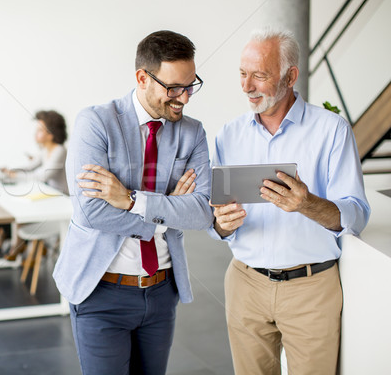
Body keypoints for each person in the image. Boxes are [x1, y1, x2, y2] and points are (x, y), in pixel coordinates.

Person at [208, 27, 370, 375]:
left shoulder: (332, 130)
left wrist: (308, 204)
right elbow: (216, 219)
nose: (247, 86)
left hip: (311, 291)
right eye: (242, 74)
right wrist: (221, 224)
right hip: (244, 283)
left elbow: (356, 214)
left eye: (260, 76)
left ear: (290, 76)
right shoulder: (228, 134)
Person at [53, 30, 213, 375]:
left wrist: (129, 200)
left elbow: (201, 213)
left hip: (160, 294)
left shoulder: (192, 132)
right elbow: (91, 211)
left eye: (190, 85)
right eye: (173, 88)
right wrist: (169, 209)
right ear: (142, 77)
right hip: (100, 292)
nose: (183, 98)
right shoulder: (96, 123)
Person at [0, 110, 68, 260]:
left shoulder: (59, 150)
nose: (35, 133)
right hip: (47, 194)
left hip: (59, 197)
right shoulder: (45, 150)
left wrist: (15, 176)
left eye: (40, 130)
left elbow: (43, 176)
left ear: (51, 134)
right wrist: (11, 171)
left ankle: (16, 245)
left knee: (22, 209)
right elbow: (30, 166)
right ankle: (15, 244)